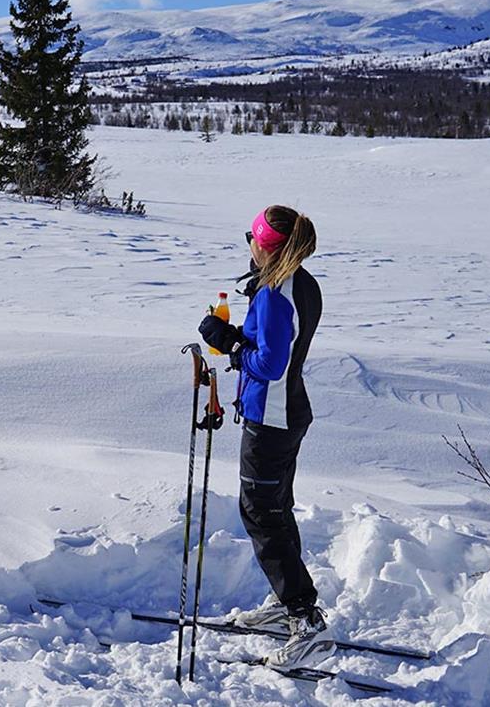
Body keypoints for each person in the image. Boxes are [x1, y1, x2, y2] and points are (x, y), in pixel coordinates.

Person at [197, 205, 332, 669]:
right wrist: (235, 335)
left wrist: (233, 348)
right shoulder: (301, 283)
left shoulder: (276, 291)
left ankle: (305, 621)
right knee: (274, 510)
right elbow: (279, 347)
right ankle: (287, 605)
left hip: (271, 417)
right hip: (288, 411)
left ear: (264, 247)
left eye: (250, 239)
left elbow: (270, 364)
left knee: (260, 513)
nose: (248, 247)